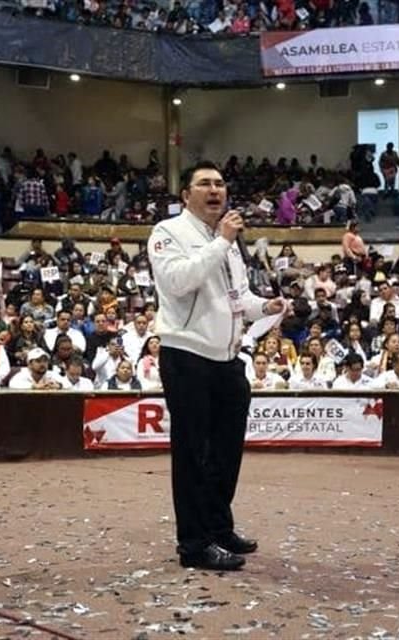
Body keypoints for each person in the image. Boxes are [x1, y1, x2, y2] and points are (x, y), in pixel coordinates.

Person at [148, 160, 285, 571]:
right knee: (192, 454)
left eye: (221, 183)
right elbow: (178, 282)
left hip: (228, 360)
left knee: (226, 453)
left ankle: (218, 527)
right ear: (185, 195)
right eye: (204, 183)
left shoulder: (227, 240)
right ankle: (194, 545)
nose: (215, 190)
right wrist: (222, 242)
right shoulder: (167, 233)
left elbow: (236, 296)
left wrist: (265, 306)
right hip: (187, 356)